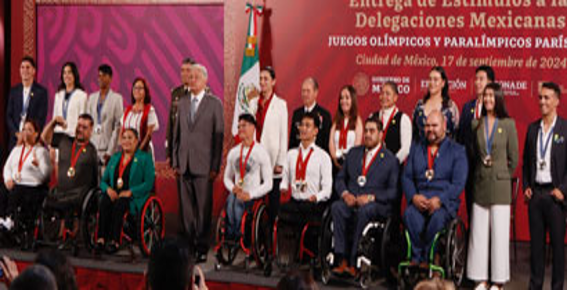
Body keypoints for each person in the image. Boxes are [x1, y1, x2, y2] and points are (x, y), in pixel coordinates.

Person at [331, 114, 399, 277]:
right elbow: (340, 179)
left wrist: (371, 197)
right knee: (337, 207)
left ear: (381, 134)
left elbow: (393, 192)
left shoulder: (390, 160)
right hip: (352, 201)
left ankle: (355, 261)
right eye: (366, 131)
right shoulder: (354, 153)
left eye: (372, 131)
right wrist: (345, 193)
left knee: (365, 211)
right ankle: (341, 259)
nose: (367, 134)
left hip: (376, 206)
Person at [467, 83, 519, 291]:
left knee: (499, 235)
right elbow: (473, 154)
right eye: (485, 95)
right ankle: (479, 279)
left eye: (492, 95)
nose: (488, 99)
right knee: (478, 234)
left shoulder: (508, 124)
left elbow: (513, 158)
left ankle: (498, 281)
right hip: (480, 183)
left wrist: (502, 174)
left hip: (500, 186)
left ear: (498, 98)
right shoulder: (476, 124)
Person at [173, 64, 224, 263]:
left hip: (204, 166)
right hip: (183, 164)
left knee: (203, 209)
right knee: (186, 210)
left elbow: (218, 137)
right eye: (189, 76)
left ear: (204, 80)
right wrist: (176, 159)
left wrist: (215, 166)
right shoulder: (182, 102)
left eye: (195, 77)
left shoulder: (214, 104)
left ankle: (202, 246)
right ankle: (188, 245)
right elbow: (177, 133)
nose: (191, 79)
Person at [402, 111, 468, 265]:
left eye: (434, 125)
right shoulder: (416, 148)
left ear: (444, 126)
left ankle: (428, 258)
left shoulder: (457, 151)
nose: (430, 129)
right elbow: (406, 177)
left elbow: (458, 184)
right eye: (427, 126)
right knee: (410, 215)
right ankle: (416, 258)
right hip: (420, 200)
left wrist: (440, 200)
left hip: (443, 204)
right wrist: (413, 197)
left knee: (437, 219)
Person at [523, 82, 566, 291]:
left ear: (557, 101)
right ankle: (535, 286)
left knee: (558, 248)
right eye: (540, 97)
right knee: (536, 249)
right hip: (536, 196)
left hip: (556, 198)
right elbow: (526, 163)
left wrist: (563, 190)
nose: (542, 101)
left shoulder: (565, 129)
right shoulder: (532, 129)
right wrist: (526, 186)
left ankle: (557, 287)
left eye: (547, 98)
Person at [279, 112, 333, 265]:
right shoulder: (290, 155)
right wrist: (283, 188)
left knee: (308, 216)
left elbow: (327, 189)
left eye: (308, 126)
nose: (303, 129)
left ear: (316, 131)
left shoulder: (323, 157)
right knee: (281, 211)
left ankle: (307, 256)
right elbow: (285, 180)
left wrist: (316, 197)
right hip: (295, 201)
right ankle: (285, 255)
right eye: (301, 125)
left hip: (313, 204)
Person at [96, 128, 155, 254]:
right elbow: (103, 181)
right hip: (115, 193)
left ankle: (115, 241)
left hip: (134, 197)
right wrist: (108, 189)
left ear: (137, 141)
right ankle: (101, 239)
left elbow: (149, 183)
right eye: (124, 138)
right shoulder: (115, 158)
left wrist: (131, 192)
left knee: (120, 204)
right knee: (104, 201)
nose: (126, 141)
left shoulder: (145, 158)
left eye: (130, 138)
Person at [41, 114, 98, 241]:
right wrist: (54, 122)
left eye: (84, 127)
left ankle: (69, 230)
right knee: (47, 199)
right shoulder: (64, 140)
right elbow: (44, 137)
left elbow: (95, 179)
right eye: (79, 126)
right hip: (61, 191)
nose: (80, 129)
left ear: (90, 131)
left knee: (70, 203)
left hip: (78, 194)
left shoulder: (91, 150)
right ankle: (55, 232)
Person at [248, 66, 289, 240]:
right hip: (255, 159)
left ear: (273, 82)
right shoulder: (253, 103)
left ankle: (271, 242)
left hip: (273, 162)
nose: (263, 82)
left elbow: (283, 135)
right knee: (253, 203)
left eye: (266, 79)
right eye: (261, 79)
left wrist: (280, 161)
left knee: (272, 205)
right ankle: (253, 242)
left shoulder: (280, 105)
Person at [223, 114, 273, 240]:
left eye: (244, 126)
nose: (240, 129)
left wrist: (250, 194)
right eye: (239, 126)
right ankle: (232, 235)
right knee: (230, 201)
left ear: (253, 128)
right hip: (237, 192)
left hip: (252, 195)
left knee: (237, 202)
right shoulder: (233, 152)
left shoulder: (261, 152)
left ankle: (239, 235)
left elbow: (269, 183)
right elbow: (226, 178)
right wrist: (232, 188)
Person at [457, 65, 496, 223]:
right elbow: (461, 138)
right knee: (471, 209)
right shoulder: (468, 107)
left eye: (482, 79)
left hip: (488, 169)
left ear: (490, 82)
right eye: (476, 79)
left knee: (487, 211)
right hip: (469, 167)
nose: (478, 83)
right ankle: (472, 244)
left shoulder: (495, 109)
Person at [1, 119, 51, 234]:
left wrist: (37, 167)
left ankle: (10, 220)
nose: (26, 132)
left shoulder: (41, 152)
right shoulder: (16, 150)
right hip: (15, 184)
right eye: (24, 129)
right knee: (2, 191)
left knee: (17, 192)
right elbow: (7, 168)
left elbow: (46, 176)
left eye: (29, 130)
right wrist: (8, 179)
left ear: (36, 134)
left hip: (32, 187)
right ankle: (2, 220)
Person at [5, 56, 48, 151]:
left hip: (32, 141)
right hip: (15, 140)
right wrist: (17, 133)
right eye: (22, 67)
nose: (25, 70)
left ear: (34, 71)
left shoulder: (41, 92)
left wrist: (28, 135)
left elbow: (41, 118)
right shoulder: (14, 91)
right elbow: (9, 116)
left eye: (28, 67)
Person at [87, 64, 124, 169]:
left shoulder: (117, 98)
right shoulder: (92, 98)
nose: (100, 78)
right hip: (93, 147)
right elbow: (88, 123)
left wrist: (110, 151)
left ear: (110, 78)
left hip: (108, 148)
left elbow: (118, 127)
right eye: (99, 76)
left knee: (105, 182)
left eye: (104, 75)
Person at [412, 67, 460, 143]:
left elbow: (456, 135)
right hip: (421, 152)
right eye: (430, 79)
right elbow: (414, 133)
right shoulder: (420, 105)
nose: (432, 82)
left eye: (435, 79)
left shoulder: (450, 107)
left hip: (445, 152)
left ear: (443, 83)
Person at [120, 78, 159, 160]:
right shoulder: (127, 110)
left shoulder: (149, 110)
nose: (137, 90)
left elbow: (148, 135)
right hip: (127, 152)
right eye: (135, 88)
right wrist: (124, 148)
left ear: (145, 91)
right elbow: (121, 131)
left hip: (143, 151)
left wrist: (138, 152)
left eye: (140, 88)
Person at [289, 78, 332, 152]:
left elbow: (326, 143)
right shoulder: (296, 114)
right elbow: (292, 142)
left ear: (316, 92)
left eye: (308, 91)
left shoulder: (325, 115)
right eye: (303, 91)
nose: (305, 94)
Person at [167, 58, 195, 166]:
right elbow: (171, 123)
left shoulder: (203, 93)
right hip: (178, 151)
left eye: (188, 70)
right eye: (182, 70)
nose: (184, 74)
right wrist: (169, 152)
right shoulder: (176, 93)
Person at [329, 85, 363, 170]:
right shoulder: (336, 120)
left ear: (353, 100)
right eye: (341, 98)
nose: (343, 101)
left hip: (351, 164)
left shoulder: (357, 120)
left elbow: (357, 144)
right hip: (335, 163)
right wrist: (335, 159)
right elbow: (331, 142)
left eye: (347, 98)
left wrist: (348, 161)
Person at [52, 62, 88, 138]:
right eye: (64, 73)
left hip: (73, 136)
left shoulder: (82, 95)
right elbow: (54, 119)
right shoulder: (58, 95)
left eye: (69, 72)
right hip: (58, 134)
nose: (66, 75)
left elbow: (82, 121)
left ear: (74, 75)